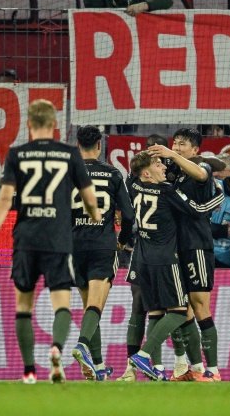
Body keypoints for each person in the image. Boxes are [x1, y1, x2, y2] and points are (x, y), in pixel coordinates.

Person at [0, 99, 101, 385]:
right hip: (58, 240)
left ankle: (29, 371)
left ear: (29, 126)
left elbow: (6, 198)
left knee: (24, 306)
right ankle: (56, 349)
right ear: (54, 125)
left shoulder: (16, 154)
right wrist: (94, 213)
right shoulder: (70, 153)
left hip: (26, 240)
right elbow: (89, 196)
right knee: (62, 305)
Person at [125, 151, 215, 381]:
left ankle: (157, 367)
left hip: (142, 259)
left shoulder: (133, 185)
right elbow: (196, 211)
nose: (163, 168)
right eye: (158, 164)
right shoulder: (166, 191)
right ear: (147, 172)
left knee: (155, 311)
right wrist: (217, 198)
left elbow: (131, 174)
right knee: (179, 311)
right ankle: (144, 355)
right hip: (166, 260)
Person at [147, 128, 225, 381]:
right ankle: (196, 368)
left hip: (197, 246)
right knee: (183, 309)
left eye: (183, 144)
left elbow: (202, 175)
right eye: (175, 143)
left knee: (201, 305)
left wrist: (171, 154)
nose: (177, 147)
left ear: (195, 150)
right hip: (175, 249)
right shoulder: (175, 175)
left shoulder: (202, 168)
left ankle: (213, 370)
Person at [70, 125, 135, 382]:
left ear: (78, 145)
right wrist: (124, 239)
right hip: (102, 245)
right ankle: (82, 345)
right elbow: (128, 214)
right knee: (96, 305)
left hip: (74, 245)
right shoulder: (111, 174)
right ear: (99, 146)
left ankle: (97, 365)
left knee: (89, 306)